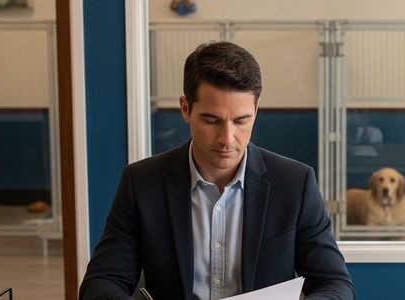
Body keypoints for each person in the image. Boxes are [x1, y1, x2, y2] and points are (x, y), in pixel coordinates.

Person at [80, 41, 355, 300]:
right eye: (212, 120)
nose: (227, 138)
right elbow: (100, 283)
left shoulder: (295, 183)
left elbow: (336, 284)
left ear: (256, 111)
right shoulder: (140, 183)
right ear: (185, 109)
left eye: (241, 120)